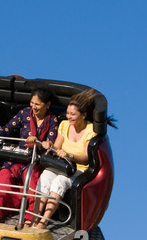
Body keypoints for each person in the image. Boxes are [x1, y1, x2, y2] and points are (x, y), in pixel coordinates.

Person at [32, 89, 117, 229]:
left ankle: (43, 222)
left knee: (59, 182)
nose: (69, 117)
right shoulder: (64, 125)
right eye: (67, 113)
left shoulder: (90, 131)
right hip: (61, 165)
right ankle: (35, 219)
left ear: (83, 115)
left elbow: (85, 159)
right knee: (45, 178)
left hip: (77, 169)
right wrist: (49, 145)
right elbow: (57, 146)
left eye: (73, 114)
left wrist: (70, 155)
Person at [0, 87, 59, 225]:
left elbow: (51, 141)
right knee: (4, 176)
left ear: (47, 105)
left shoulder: (53, 120)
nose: (33, 106)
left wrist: (40, 143)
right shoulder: (24, 113)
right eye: (32, 103)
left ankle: (29, 218)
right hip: (18, 156)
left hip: (35, 160)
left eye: (37, 104)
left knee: (33, 181)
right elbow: (8, 129)